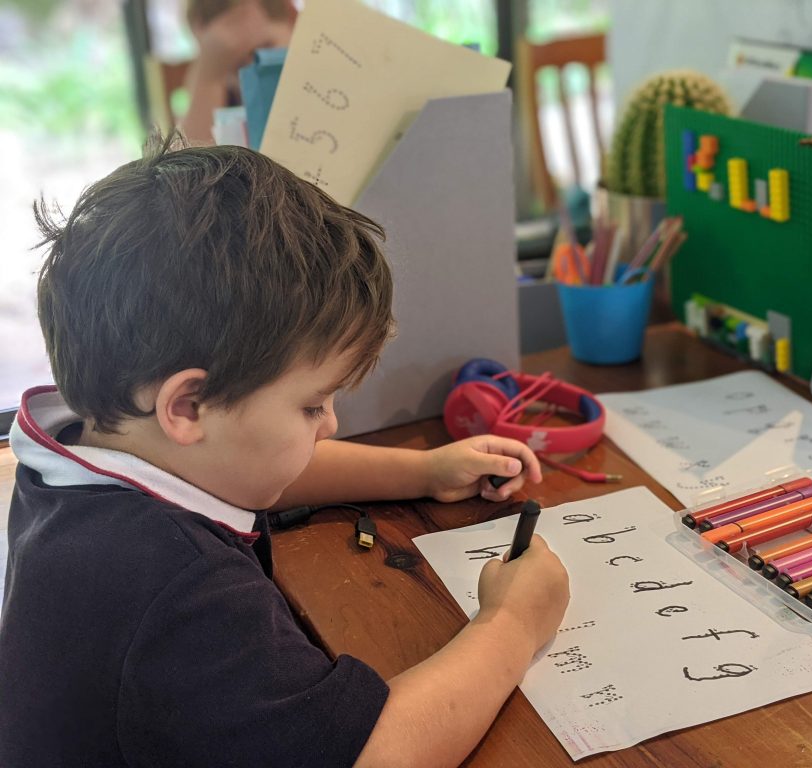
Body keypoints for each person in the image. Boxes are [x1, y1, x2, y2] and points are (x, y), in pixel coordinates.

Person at [0, 134, 570, 767]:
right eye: (312, 405)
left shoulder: (88, 447)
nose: (330, 425)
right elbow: (374, 756)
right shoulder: (182, 589)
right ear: (188, 405)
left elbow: (255, 469)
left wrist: (424, 469)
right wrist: (513, 625)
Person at [180, 0, 296, 144]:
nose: (249, 71)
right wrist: (208, 81)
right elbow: (193, 160)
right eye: (234, 63)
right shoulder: (216, 95)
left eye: (261, 50)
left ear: (293, 19)